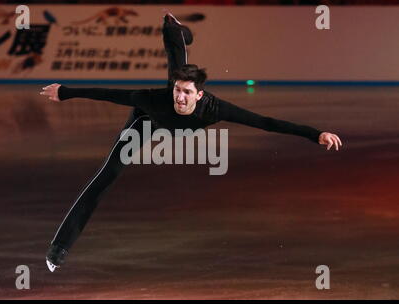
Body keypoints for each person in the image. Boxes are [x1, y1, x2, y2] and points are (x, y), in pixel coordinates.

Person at [40, 13, 342, 272]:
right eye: (178, 91)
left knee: (176, 55)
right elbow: (108, 93)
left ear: (199, 95)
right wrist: (65, 92)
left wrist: (316, 134)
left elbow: (266, 123)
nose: (180, 97)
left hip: (180, 119)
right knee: (106, 176)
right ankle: (60, 248)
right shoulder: (154, 99)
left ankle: (177, 30)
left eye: (187, 92)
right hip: (146, 122)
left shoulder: (215, 108)